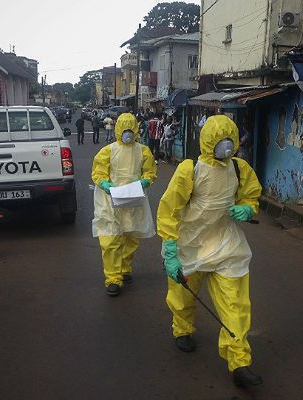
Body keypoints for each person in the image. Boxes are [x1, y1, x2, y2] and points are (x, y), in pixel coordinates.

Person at [157, 115, 263, 387]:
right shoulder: (189, 170)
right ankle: (182, 329)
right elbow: (169, 209)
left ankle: (239, 361)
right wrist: (170, 248)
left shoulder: (239, 169)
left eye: (230, 141)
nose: (226, 146)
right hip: (190, 245)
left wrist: (248, 208)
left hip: (226, 245)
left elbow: (251, 196)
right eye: (220, 141)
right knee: (183, 297)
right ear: (207, 141)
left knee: (236, 305)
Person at [91, 113, 157, 296]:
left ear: (135, 129)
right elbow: (98, 172)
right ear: (118, 129)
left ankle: (125, 268)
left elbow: (150, 172)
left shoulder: (143, 151)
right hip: (109, 199)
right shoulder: (108, 151)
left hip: (133, 198)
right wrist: (104, 183)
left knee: (131, 235)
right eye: (124, 129)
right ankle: (113, 278)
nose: (128, 133)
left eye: (131, 129)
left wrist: (145, 181)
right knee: (110, 238)